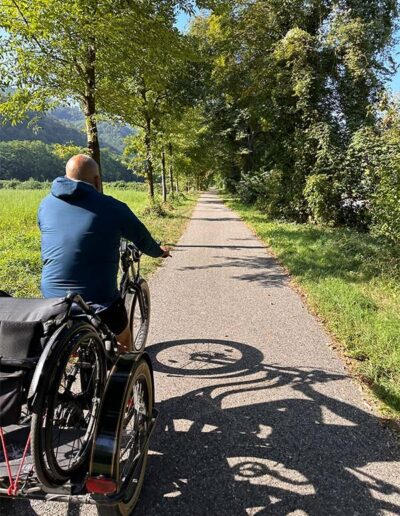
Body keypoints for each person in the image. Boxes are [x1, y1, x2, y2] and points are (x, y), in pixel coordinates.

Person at [38, 154, 170, 352]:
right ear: (97, 180)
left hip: (51, 299)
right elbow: (142, 239)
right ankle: (122, 369)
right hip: (99, 300)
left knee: (70, 343)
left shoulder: (45, 204)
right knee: (124, 337)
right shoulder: (112, 207)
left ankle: (72, 355)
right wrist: (159, 252)